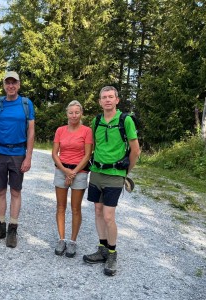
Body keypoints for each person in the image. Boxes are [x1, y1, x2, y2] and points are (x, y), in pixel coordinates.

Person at [82, 86, 140, 276]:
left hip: (115, 175)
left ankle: (113, 253)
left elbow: (135, 150)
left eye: (110, 97)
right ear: (100, 101)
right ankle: (102, 249)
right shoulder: (96, 120)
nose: (107, 100)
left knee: (108, 216)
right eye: (104, 97)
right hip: (96, 172)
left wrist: (125, 172)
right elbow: (94, 146)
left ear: (117, 100)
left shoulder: (126, 120)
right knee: (98, 211)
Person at [0, 71, 35, 248]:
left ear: (19, 84)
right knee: (0, 191)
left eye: (13, 82)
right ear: (4, 85)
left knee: (15, 191)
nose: (11, 86)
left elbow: (31, 131)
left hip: (18, 153)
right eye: (7, 83)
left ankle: (13, 228)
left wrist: (28, 156)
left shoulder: (26, 103)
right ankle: (0, 227)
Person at [52, 100, 93, 257]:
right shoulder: (60, 130)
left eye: (77, 112)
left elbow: (87, 154)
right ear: (67, 114)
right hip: (62, 170)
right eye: (71, 112)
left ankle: (73, 241)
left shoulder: (86, 131)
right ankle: (61, 239)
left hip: (79, 172)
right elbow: (55, 154)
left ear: (81, 113)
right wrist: (65, 171)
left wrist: (73, 172)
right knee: (60, 206)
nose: (74, 115)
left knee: (76, 208)